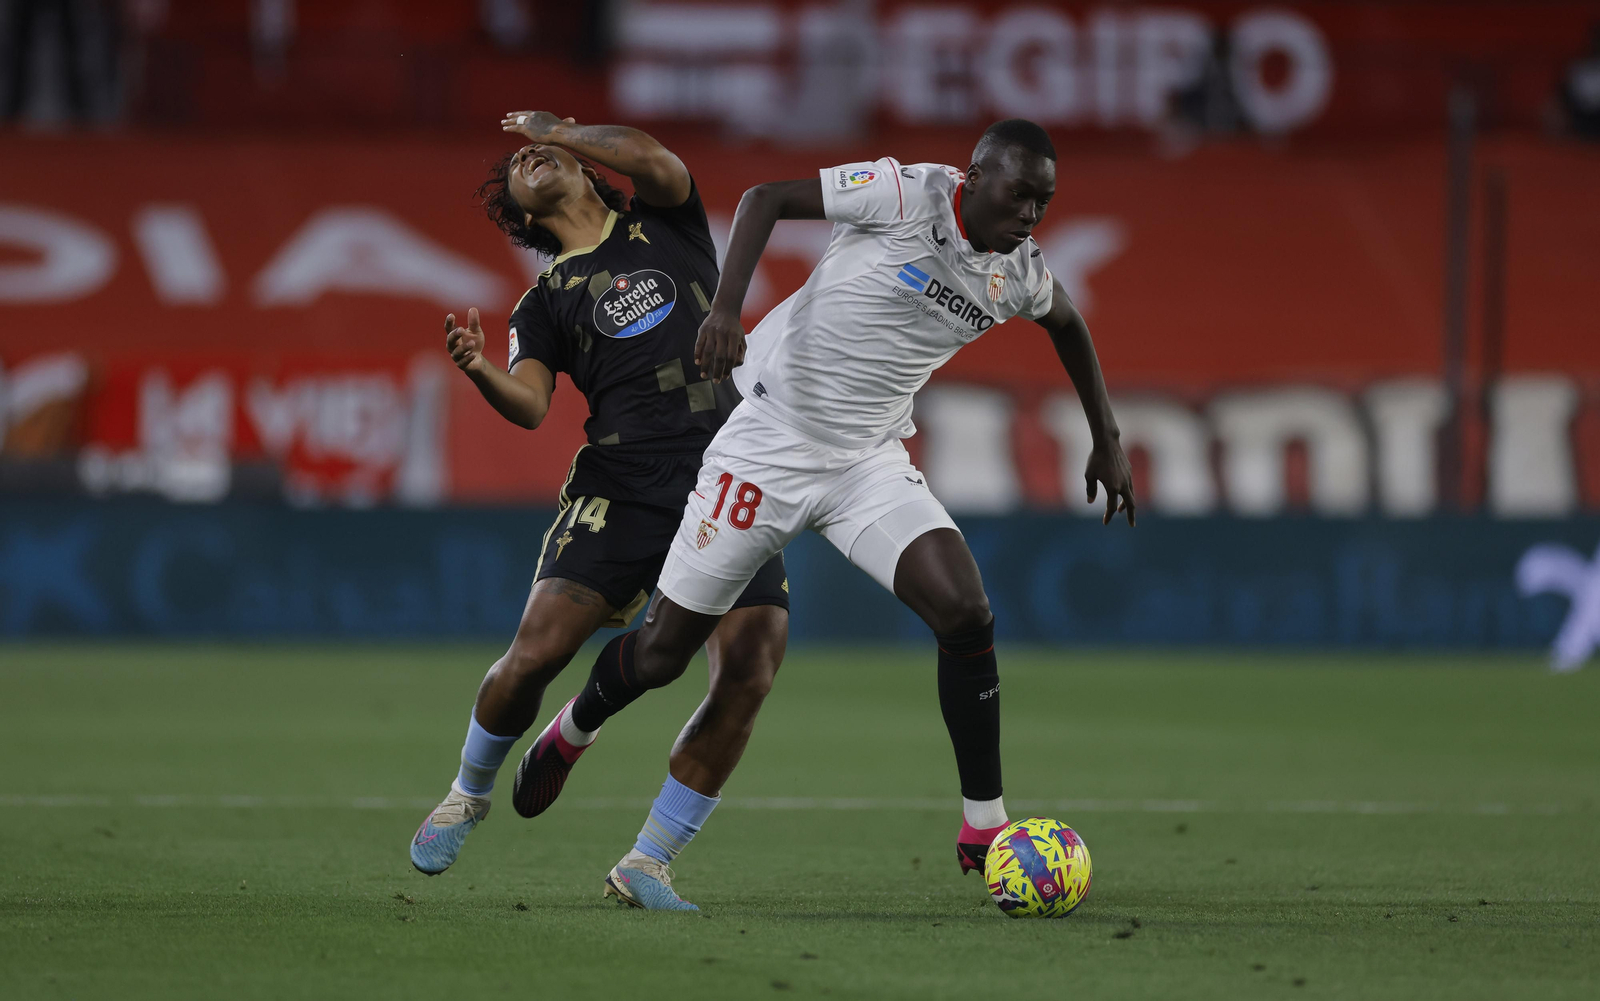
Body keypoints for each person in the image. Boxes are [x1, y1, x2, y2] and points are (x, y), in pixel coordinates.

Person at [522, 118, 1136, 905]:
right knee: (661, 654)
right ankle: (575, 726)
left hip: (866, 461)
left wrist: (1107, 440)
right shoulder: (907, 192)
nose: (1029, 216)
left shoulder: (1017, 270)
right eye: (1019, 196)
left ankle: (983, 822)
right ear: (976, 177)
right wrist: (725, 312)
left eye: (1043, 204)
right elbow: (764, 198)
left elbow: (1069, 324)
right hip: (768, 442)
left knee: (966, 611)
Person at [409, 112, 791, 914]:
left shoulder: (667, 223)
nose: (533, 155)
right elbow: (530, 405)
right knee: (534, 655)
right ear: (519, 215)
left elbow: (653, 156)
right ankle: (466, 792)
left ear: (589, 168)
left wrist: (561, 127)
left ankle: (648, 860)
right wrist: (480, 368)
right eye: (519, 164)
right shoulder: (542, 301)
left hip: (729, 474)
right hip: (620, 484)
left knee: (751, 666)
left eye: (547, 150)